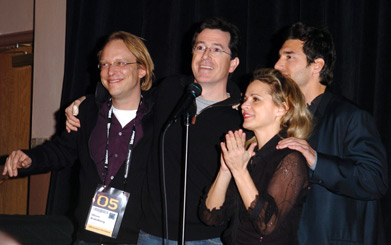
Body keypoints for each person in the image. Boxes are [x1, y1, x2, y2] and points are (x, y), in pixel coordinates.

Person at [65, 17, 243, 244]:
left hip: (206, 238)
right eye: (200, 47)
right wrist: (83, 103)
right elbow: (125, 96)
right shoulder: (170, 90)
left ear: (233, 64)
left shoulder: (242, 115)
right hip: (150, 234)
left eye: (217, 49)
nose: (205, 55)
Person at [3, 31, 155, 244]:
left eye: (121, 63)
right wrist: (30, 159)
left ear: (142, 69)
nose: (111, 71)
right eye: (105, 64)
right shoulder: (88, 112)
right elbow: (61, 151)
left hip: (140, 239)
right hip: (89, 237)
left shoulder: (161, 116)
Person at [274, 22, 388, 244]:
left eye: (289, 56)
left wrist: (316, 161)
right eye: (279, 56)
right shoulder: (282, 118)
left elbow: (375, 180)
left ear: (316, 65)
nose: (278, 64)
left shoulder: (350, 117)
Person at [199, 68, 312, 244]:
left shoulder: (290, 159)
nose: (244, 105)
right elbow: (210, 216)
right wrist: (225, 170)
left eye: (256, 99)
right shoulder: (248, 155)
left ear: (282, 108)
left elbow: (266, 224)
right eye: (245, 99)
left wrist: (239, 171)